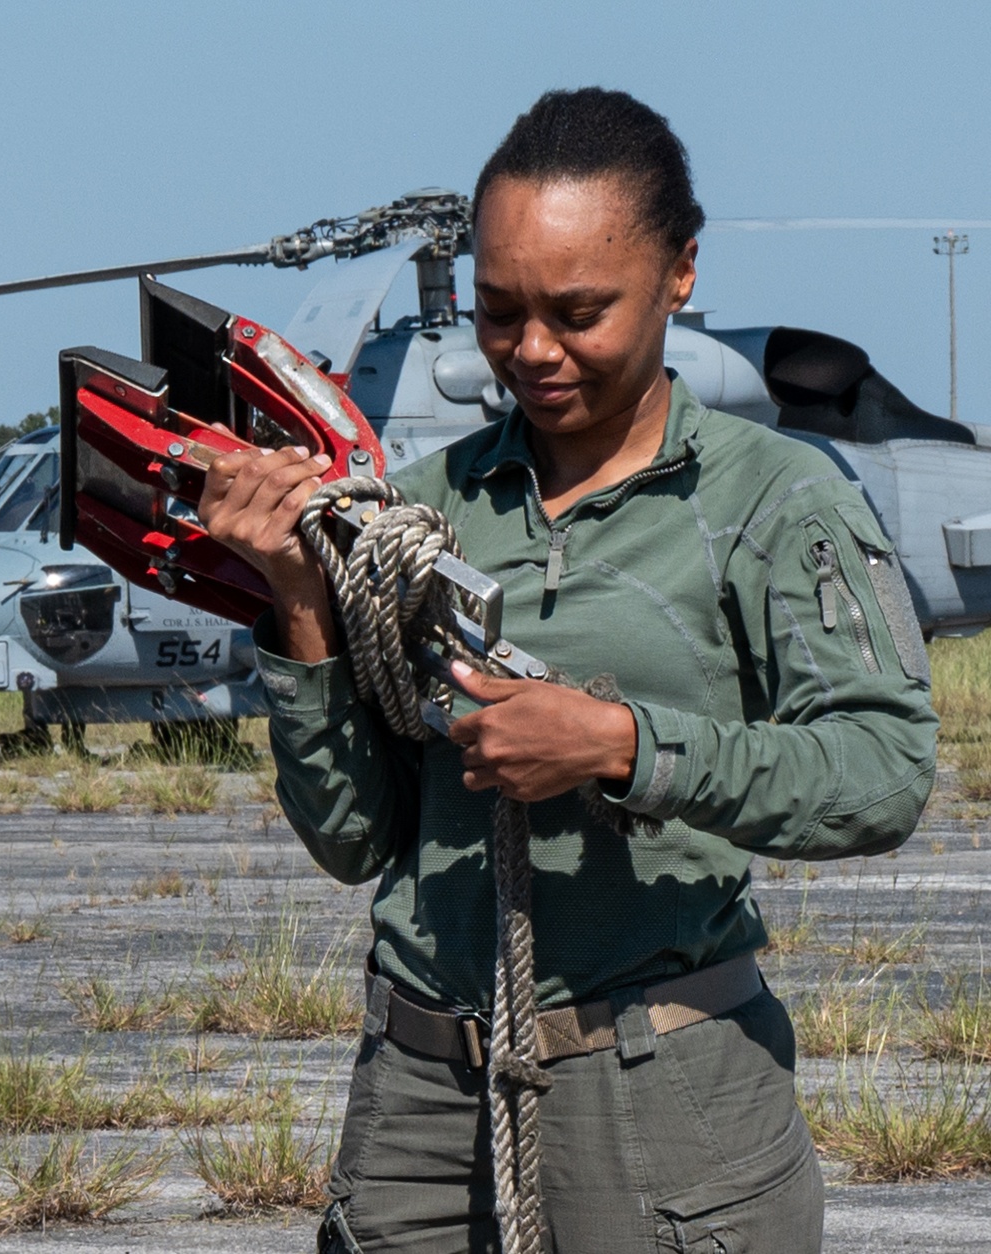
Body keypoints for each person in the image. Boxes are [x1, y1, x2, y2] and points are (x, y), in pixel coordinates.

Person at [199, 88, 938, 1254]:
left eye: (580, 312)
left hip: (665, 1107)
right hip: (419, 1109)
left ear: (680, 273)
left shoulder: (777, 501)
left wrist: (620, 746)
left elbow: (882, 774)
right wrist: (297, 603)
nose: (532, 352)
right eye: (499, 312)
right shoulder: (422, 512)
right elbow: (354, 840)